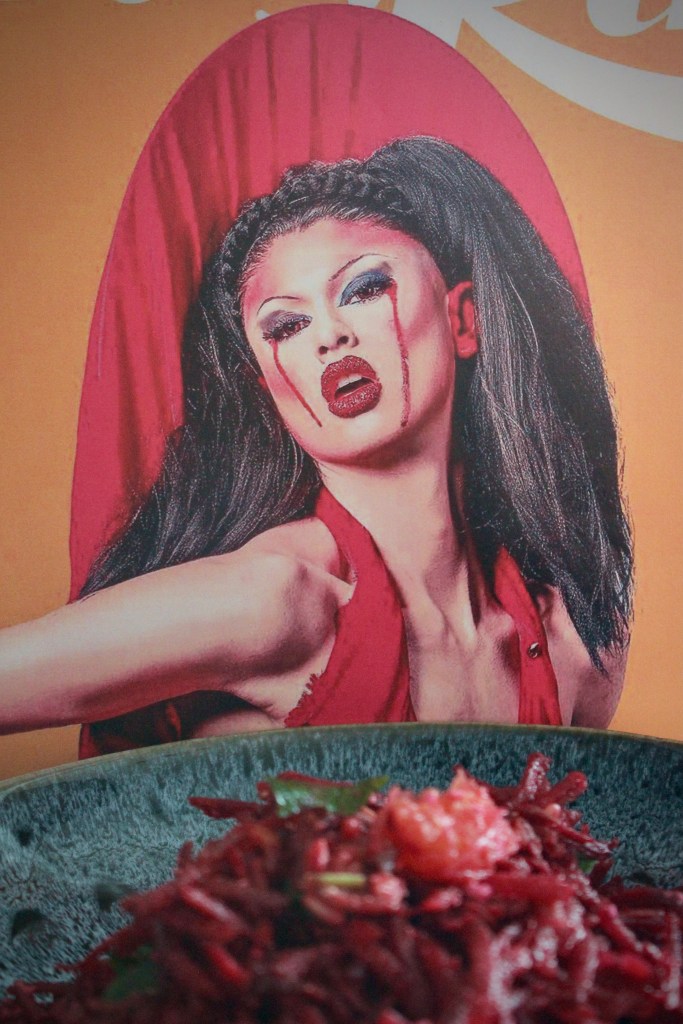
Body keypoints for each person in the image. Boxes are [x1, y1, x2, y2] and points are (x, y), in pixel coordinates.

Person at [0, 137, 632, 755]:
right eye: (287, 325)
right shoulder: (272, 600)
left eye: (364, 288)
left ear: (462, 320)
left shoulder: (579, 645)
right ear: (268, 388)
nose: (329, 335)